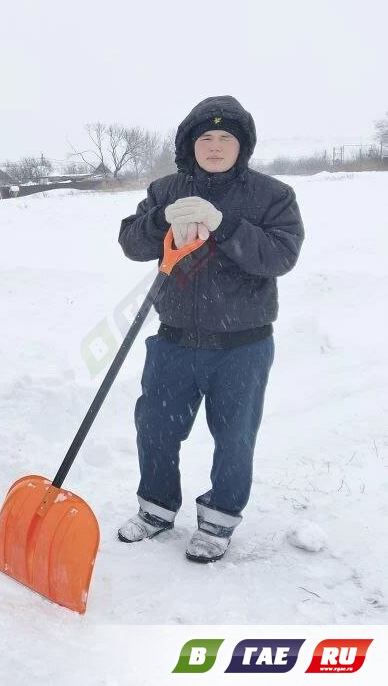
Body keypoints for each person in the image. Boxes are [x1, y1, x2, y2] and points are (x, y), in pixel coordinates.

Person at [116, 96, 304, 562]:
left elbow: (280, 256)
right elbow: (131, 243)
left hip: (243, 345)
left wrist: (225, 224)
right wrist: (161, 218)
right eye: (205, 137)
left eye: (226, 138)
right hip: (174, 339)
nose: (215, 146)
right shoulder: (165, 189)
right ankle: (156, 508)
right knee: (155, 427)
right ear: (189, 144)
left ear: (242, 146)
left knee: (234, 436)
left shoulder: (272, 195)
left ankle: (219, 519)